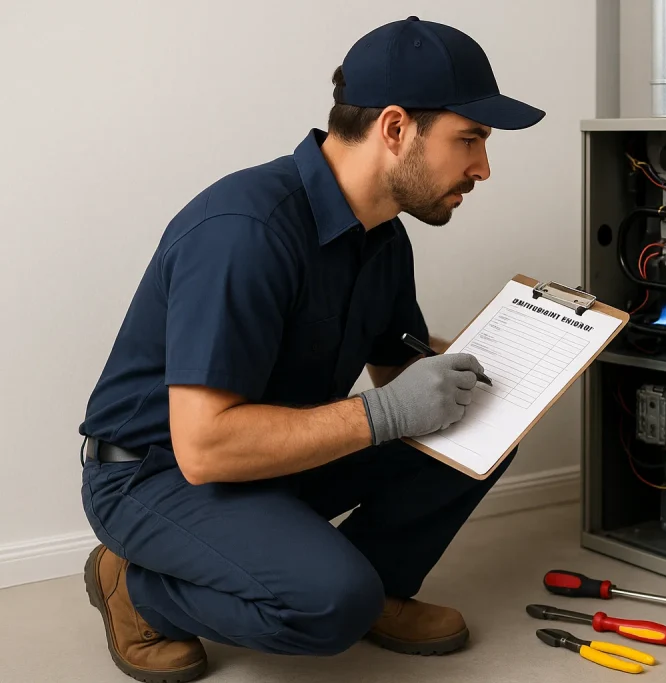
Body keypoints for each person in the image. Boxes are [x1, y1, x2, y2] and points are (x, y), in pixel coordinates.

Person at [77, 16, 544, 683]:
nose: (483, 167)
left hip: (275, 453)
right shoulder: (246, 231)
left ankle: (377, 582)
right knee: (331, 604)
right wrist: (384, 414)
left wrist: (518, 358)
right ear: (394, 128)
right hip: (158, 474)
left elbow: (402, 370)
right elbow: (205, 448)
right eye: (469, 139)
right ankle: (137, 587)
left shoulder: (382, 236)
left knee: (484, 425)